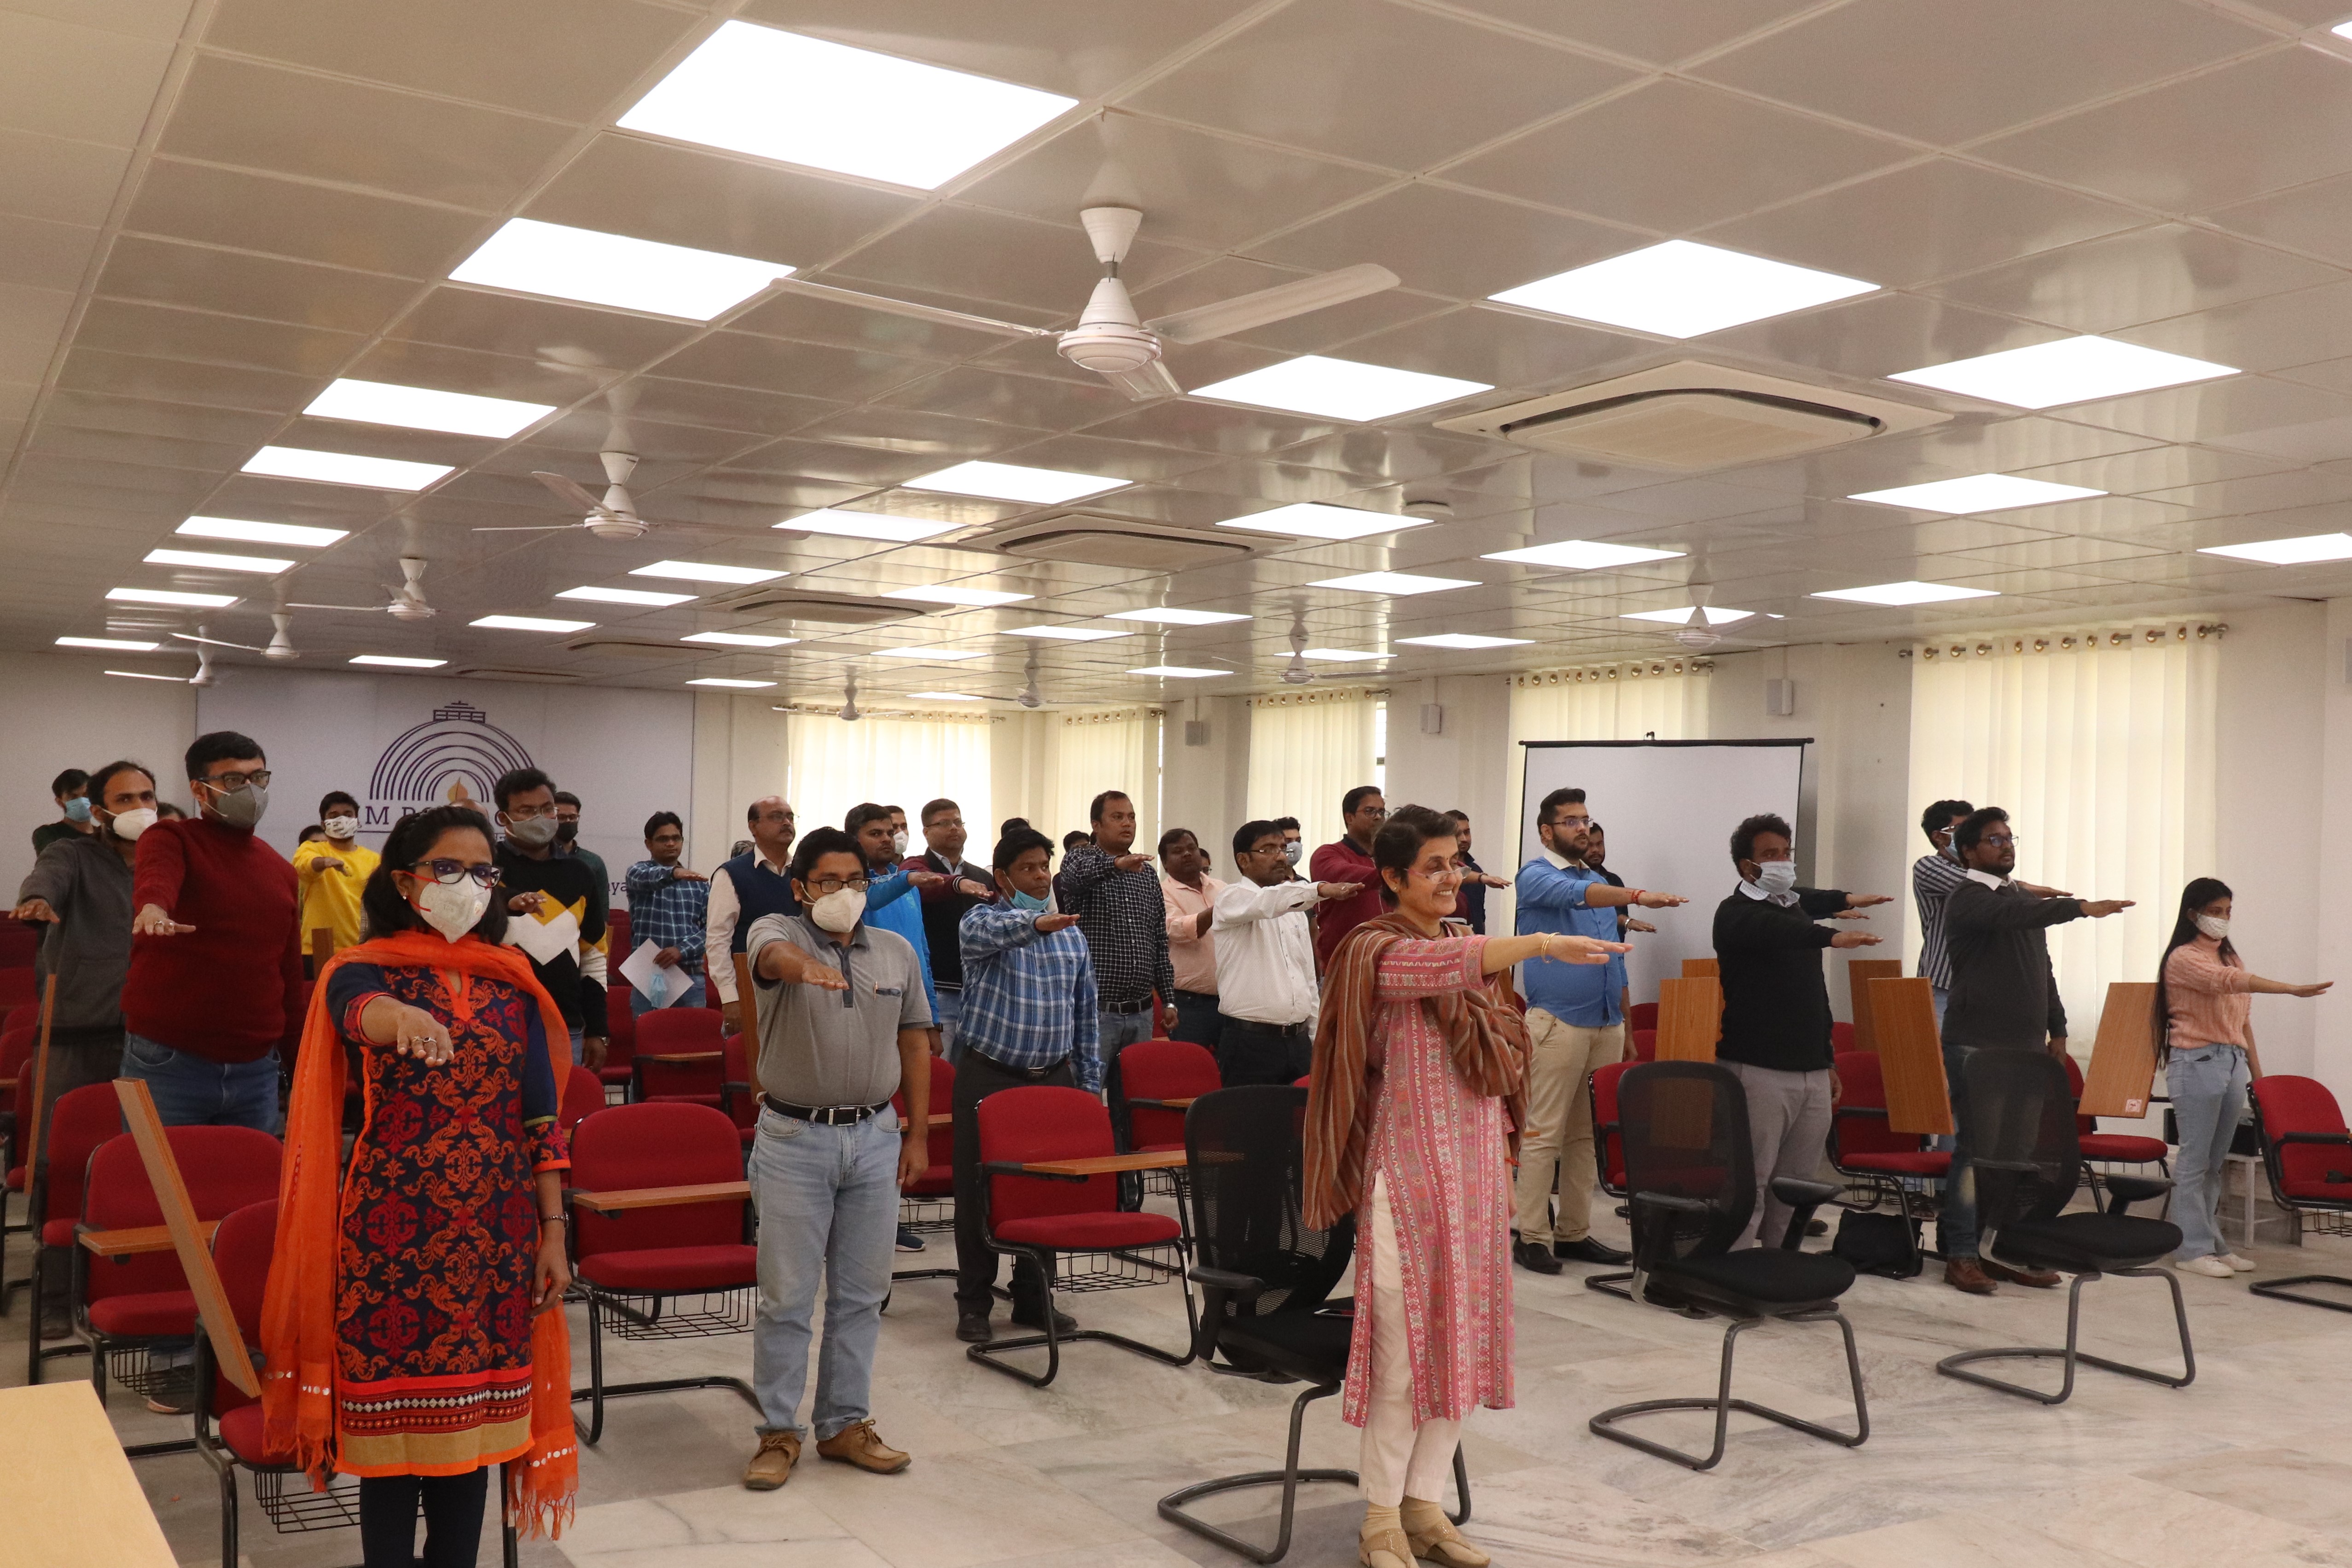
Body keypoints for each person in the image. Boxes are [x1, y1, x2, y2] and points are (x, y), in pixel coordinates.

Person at [1305, 806, 1622, 1568]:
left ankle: (1423, 1505)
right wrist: (1542, 942)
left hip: (1476, 1172)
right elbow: (1447, 968)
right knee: (1403, 1355)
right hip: (1405, 1176)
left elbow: (1492, 1035)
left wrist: (1504, 1167)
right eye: (1435, 866)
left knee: (1461, 1344)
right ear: (1392, 877)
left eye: (1456, 863)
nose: (1452, 877)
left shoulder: (1460, 942)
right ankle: (1379, 1517)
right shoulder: (1375, 949)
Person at [260, 803, 576, 1568]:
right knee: (393, 1444)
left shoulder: (512, 978)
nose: (468, 884)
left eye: (482, 871)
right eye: (448, 867)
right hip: (391, 1231)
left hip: (499, 1232)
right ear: (405, 881)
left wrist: (554, 1231)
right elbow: (355, 1012)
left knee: (473, 1437)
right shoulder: (365, 967)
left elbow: (540, 1117)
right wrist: (396, 1015)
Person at [739, 826, 929, 1491]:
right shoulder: (775, 929)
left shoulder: (896, 951)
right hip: (795, 1137)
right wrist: (809, 968)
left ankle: (845, 1423)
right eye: (829, 882)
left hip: (875, 1136)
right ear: (801, 887)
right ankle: (778, 1431)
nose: (845, 892)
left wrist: (918, 1133)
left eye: (856, 881)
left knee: (861, 1295)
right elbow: (770, 959)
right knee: (788, 1296)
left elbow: (915, 1041)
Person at [1938, 806, 2131, 1295]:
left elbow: (2041, 969)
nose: (2006, 845)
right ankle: (1960, 1253)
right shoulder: (1968, 897)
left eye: (2009, 837)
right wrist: (2080, 908)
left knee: (2017, 1156)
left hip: (2025, 1047)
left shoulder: (2019, 899)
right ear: (1969, 852)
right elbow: (2013, 915)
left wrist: (2058, 1027)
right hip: (1977, 1046)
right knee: (1977, 1152)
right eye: (1994, 839)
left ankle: (2001, 1248)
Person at [1510, 787, 1686, 1272]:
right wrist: (1636, 896)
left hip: (1605, 1021)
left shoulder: (1599, 881)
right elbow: (1575, 895)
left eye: (1586, 820)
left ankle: (1573, 1233)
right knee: (1543, 1133)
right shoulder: (1536, 875)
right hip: (1558, 1021)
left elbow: (1616, 960)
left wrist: (1625, 1025)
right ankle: (1532, 1236)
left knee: (1585, 1137)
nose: (1582, 828)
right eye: (1571, 821)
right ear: (1546, 832)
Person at [1712, 813, 1891, 1249]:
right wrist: (1830, 937)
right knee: (1750, 1183)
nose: (1781, 861)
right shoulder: (1735, 913)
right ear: (1746, 866)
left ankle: (1778, 1265)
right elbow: (1778, 929)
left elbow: (1816, 993)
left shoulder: (1791, 905)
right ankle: (1731, 1268)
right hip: (1757, 1068)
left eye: (1785, 853)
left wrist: (1827, 1059)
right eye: (1769, 855)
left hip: (1810, 1069)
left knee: (1794, 1186)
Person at [950, 825, 1099, 1344]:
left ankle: (1034, 1298)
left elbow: (1085, 1017)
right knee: (977, 1192)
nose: (1039, 876)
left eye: (1044, 867)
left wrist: (1090, 1089)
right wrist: (1037, 923)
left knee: (1043, 1192)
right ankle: (974, 1302)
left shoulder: (1072, 936)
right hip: (988, 1075)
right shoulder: (980, 921)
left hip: (1052, 1079)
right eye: (1027, 869)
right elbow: (995, 932)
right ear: (1002, 877)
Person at [121, 731, 302, 1131]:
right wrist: (153, 906)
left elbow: (288, 975)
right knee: (152, 1172)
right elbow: (158, 874)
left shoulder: (282, 871)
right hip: (170, 1059)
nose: (251, 790)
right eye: (234, 780)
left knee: (251, 1173)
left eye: (258, 778)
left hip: (257, 1067)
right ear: (199, 790)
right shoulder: (172, 837)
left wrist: (299, 1063)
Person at [2155, 878, 2330, 1278]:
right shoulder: (2183, 958)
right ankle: (2191, 1250)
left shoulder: (2229, 957)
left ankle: (2214, 1244)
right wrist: (2289, 989)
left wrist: (2258, 1076)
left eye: (2227, 912)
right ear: (2192, 914)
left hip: (2231, 1061)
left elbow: (2242, 1021)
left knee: (2214, 1163)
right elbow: (2229, 984)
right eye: (2214, 912)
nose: (2222, 919)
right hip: (2196, 1062)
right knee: (2194, 1161)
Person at [13, 760, 149, 1155]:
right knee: (58, 1144)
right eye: (125, 799)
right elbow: (47, 877)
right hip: (74, 1028)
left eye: (146, 797)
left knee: (137, 1151)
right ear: (99, 812)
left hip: (148, 1037)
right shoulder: (70, 852)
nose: (139, 807)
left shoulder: (166, 864)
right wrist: (37, 899)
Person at [1210, 820, 1361, 1086]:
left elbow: (1307, 979)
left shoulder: (1296, 910)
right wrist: (1320, 888)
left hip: (1298, 1043)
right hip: (1250, 1044)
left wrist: (1315, 1037)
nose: (1281, 857)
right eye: (1268, 849)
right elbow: (1266, 902)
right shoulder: (1231, 899)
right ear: (1243, 860)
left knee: (1301, 1114)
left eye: (1282, 848)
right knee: (1251, 1114)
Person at [490, 768, 608, 1068]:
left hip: (565, 1025)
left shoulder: (580, 873)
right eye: (526, 811)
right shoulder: (486, 867)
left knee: (563, 1101)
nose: (540, 818)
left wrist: (597, 1029)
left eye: (546, 809)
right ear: (503, 818)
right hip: (495, 1023)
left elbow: (593, 955)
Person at [1054, 790, 1172, 1089]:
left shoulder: (1146, 875)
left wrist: (1169, 999)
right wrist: (1117, 864)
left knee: (1134, 1097)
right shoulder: (1080, 858)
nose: (1127, 823)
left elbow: (1159, 939)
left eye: (1131, 817)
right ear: (1096, 825)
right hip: (1096, 1012)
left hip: (1142, 1012)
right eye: (1117, 817)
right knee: (1087, 1095)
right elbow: (1075, 879)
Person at [847, 802, 941, 1051]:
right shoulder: (849, 886)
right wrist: (907, 879)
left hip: (912, 1010)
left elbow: (922, 955)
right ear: (853, 840)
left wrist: (932, 1018)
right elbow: (871, 896)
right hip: (868, 1009)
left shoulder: (909, 886)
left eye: (890, 833)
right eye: (875, 834)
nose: (887, 839)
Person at [907, 798, 995, 1061]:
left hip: (978, 992)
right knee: (938, 1070)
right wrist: (957, 884)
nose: (954, 828)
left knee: (970, 1071)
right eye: (945, 823)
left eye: (958, 822)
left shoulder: (982, 877)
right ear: (926, 832)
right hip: (937, 990)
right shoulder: (916, 868)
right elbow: (926, 886)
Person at [710, 796, 797, 1035]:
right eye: (777, 817)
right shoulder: (731, 874)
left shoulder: (804, 872)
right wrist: (730, 998)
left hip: (798, 987)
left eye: (790, 817)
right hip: (751, 988)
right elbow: (718, 940)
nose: (787, 823)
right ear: (753, 826)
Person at [623, 811, 709, 1014]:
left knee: (693, 1035)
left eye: (676, 838)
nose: (671, 844)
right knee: (648, 1033)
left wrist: (681, 950)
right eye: (663, 839)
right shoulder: (638, 872)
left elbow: (712, 930)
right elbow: (649, 878)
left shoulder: (699, 884)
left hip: (690, 976)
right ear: (649, 844)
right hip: (650, 975)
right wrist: (675, 873)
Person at [1158, 827, 1225, 1052]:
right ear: (1165, 863)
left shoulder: (1222, 889)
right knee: (1189, 1067)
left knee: (1231, 1069)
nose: (1187, 854)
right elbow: (1178, 929)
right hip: (1188, 1005)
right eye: (1178, 851)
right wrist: (1219, 910)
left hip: (1230, 1001)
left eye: (1191, 848)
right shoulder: (1161, 893)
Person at [293, 790, 379, 958]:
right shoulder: (312, 848)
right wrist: (324, 862)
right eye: (334, 816)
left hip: (361, 949)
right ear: (324, 824)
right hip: (318, 948)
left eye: (348, 815)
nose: (342, 820)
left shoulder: (374, 860)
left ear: (357, 821)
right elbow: (303, 865)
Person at [1310, 786, 1389, 970]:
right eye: (1370, 811)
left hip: (1388, 964)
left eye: (1382, 812)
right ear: (1349, 817)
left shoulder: (1387, 858)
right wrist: (1399, 873)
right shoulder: (1327, 854)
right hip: (1344, 968)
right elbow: (1349, 875)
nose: (1378, 817)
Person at [1441, 810, 1509, 936]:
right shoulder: (1439, 871)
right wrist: (1482, 878)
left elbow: (1480, 916)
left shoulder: (1476, 869)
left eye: (1467, 832)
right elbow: (1455, 872)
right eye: (1458, 834)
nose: (1464, 839)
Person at [1582, 826, 1654, 939]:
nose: (1596, 850)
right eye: (1590, 845)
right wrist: (1626, 921)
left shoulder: (1614, 881)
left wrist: (1626, 922)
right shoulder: (1570, 882)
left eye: (1600, 844)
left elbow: (1620, 925)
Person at [550, 789, 607, 897]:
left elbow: (602, 903)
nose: (568, 821)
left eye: (573, 817)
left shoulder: (594, 861)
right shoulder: (539, 858)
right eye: (561, 817)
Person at [31, 767, 93, 855]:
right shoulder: (48, 834)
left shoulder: (104, 835)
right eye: (73, 797)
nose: (82, 802)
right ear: (60, 802)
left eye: (86, 795)